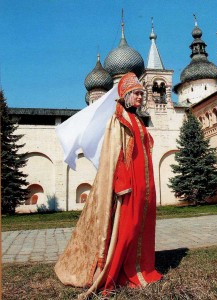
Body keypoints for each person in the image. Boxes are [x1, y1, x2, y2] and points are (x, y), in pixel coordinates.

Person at [54, 72, 162, 298]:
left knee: (144, 226)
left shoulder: (138, 119)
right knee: (128, 228)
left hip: (145, 184)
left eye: (142, 93)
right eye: (137, 94)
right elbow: (114, 153)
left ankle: (142, 269)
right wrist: (121, 181)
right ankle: (117, 272)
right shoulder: (118, 119)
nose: (141, 97)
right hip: (130, 183)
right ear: (126, 96)